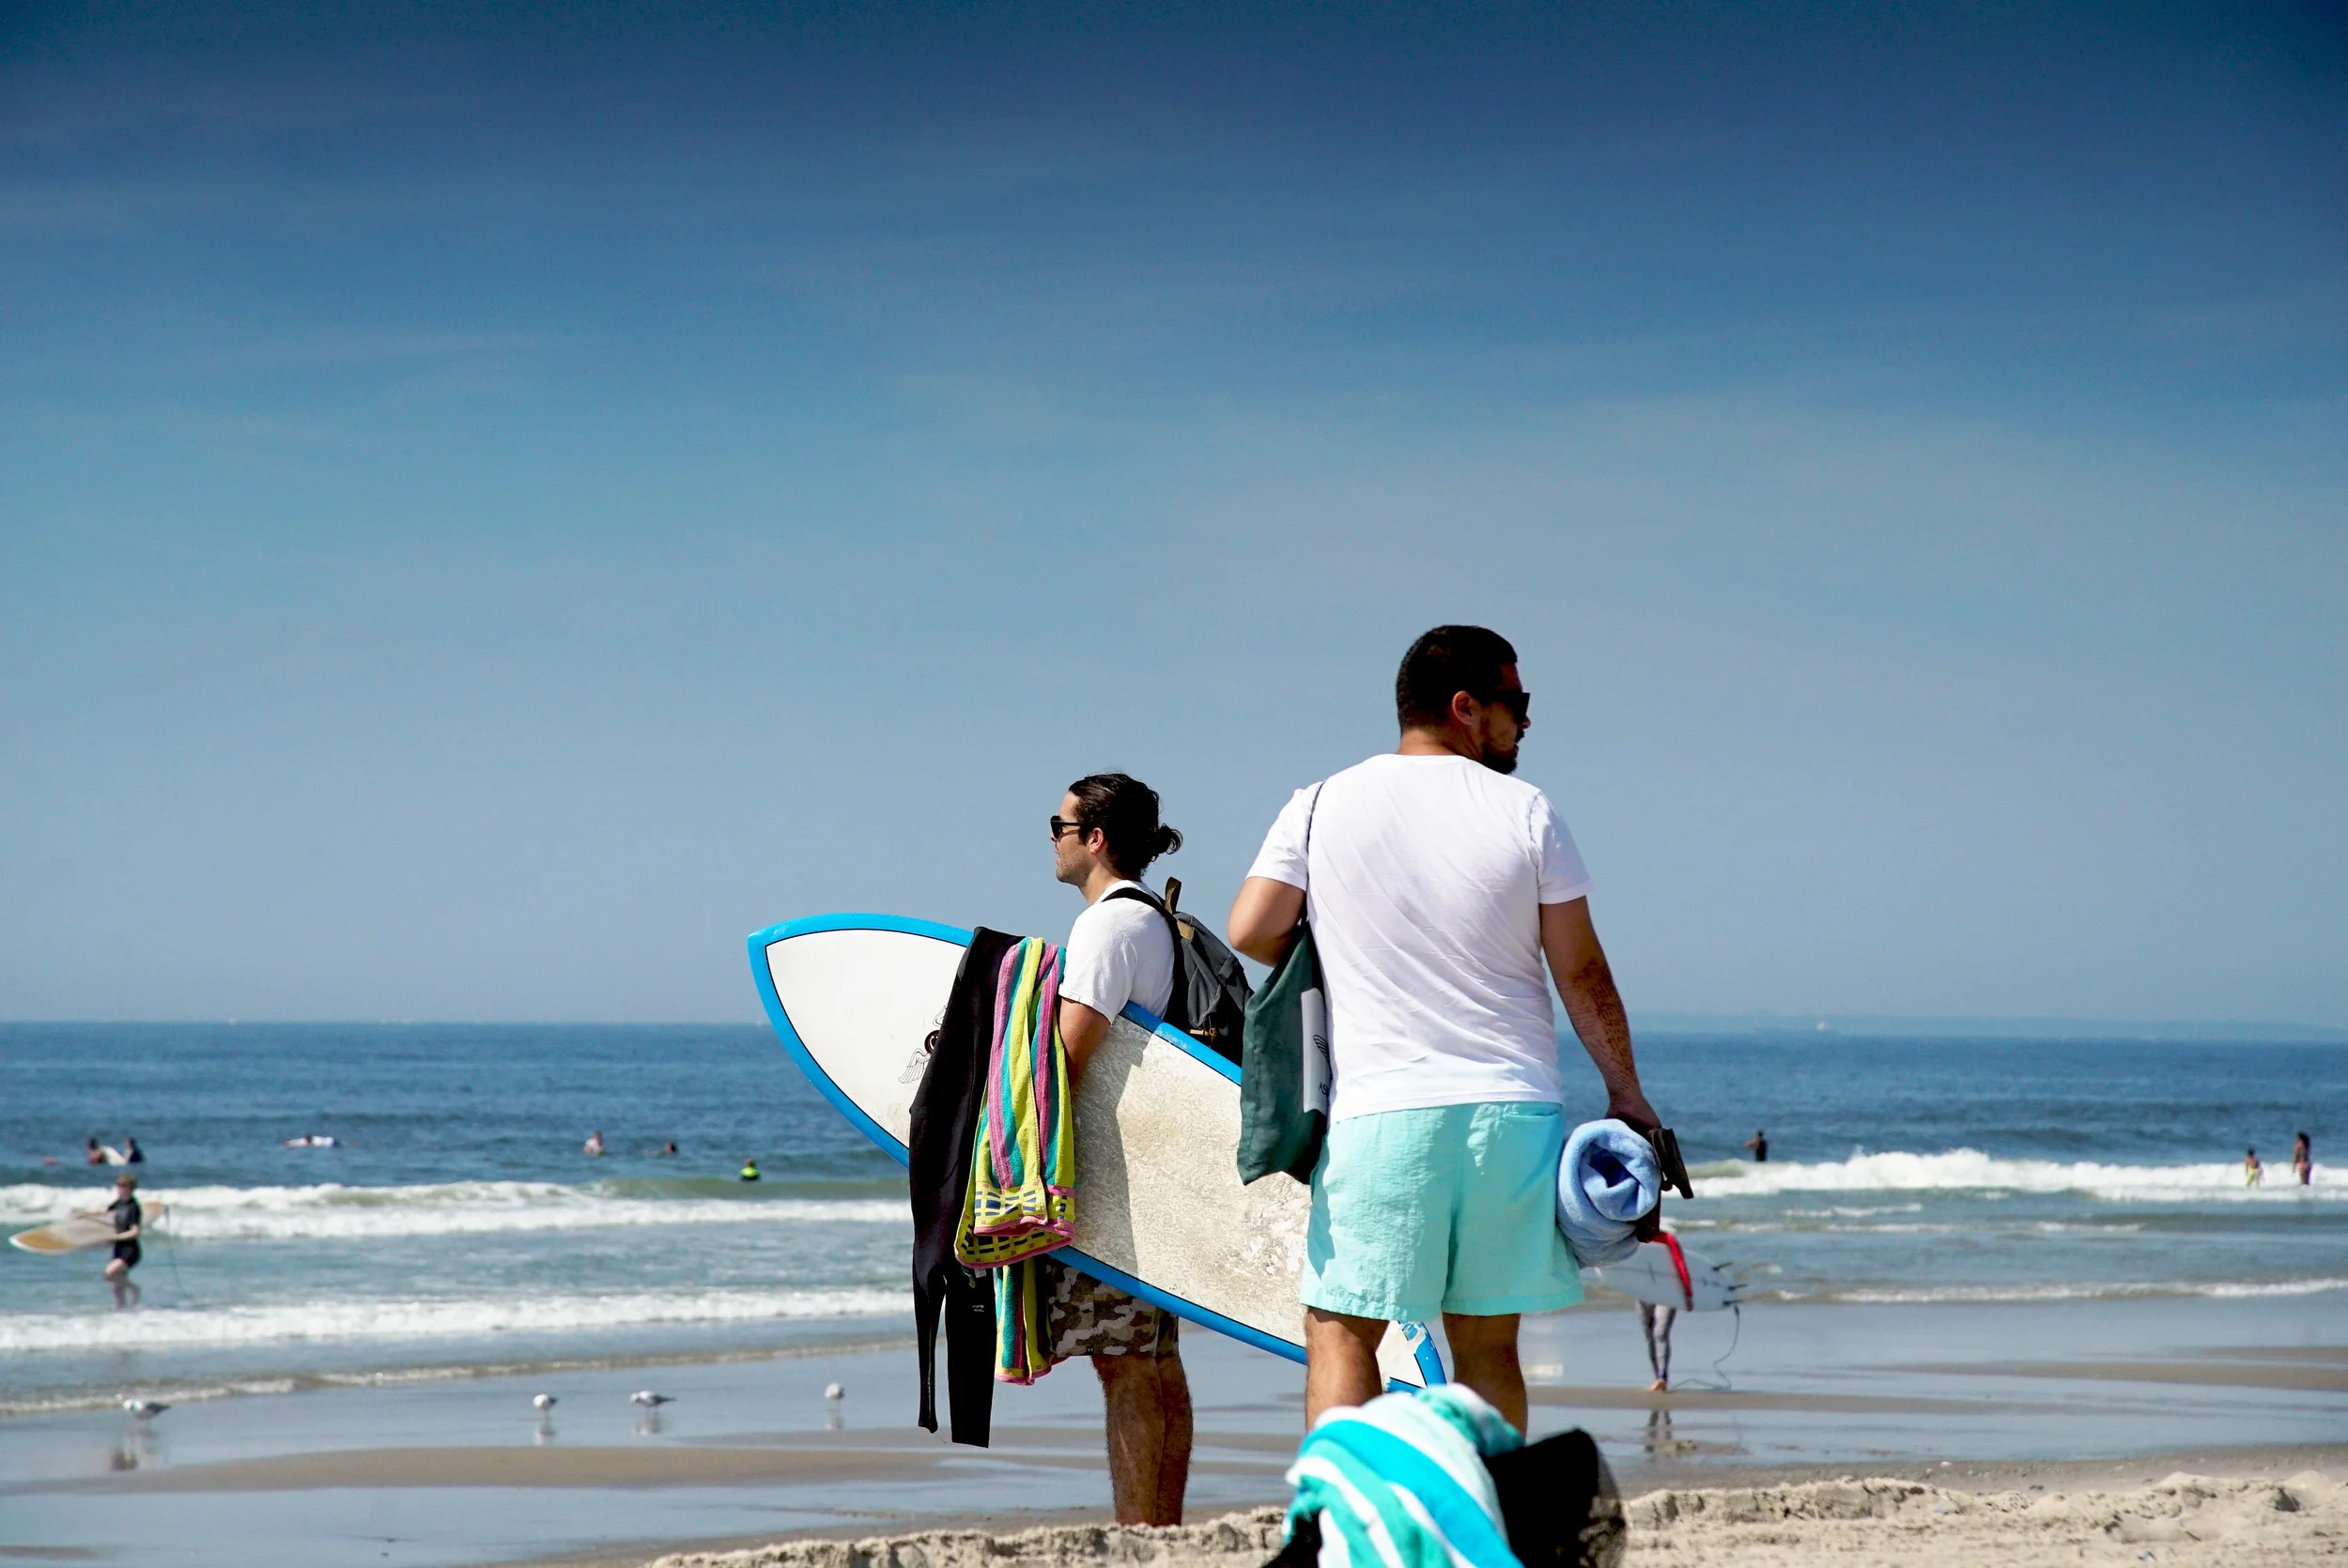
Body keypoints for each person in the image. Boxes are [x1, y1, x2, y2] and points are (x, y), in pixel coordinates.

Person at [1228, 625, 1662, 1434]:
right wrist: (1626, 1091)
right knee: (1489, 1343)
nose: (1527, 723)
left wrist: (1340, 929)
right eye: (1516, 704)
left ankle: (1342, 1527)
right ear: (1465, 708)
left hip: (1384, 1117)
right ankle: (1486, 1531)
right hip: (1511, 1118)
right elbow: (1581, 971)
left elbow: (1251, 930)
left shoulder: (1320, 804)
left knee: (1342, 1330)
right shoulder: (1529, 812)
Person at [1049, 772, 1194, 1526]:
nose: (1051, 838)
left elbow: (1068, 1058)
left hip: (1122, 1180)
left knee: (1126, 1363)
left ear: (1094, 838)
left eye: (1059, 823)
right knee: (1153, 1358)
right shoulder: (1150, 918)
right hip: (1154, 1174)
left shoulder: (1108, 925)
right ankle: (1160, 1531)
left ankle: (1141, 1534)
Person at [74, 1173, 143, 1307]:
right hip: (118, 1248)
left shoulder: (133, 1207)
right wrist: (83, 1214)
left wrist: (114, 1237)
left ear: (129, 1188)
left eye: (121, 1186)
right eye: (117, 1185)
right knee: (118, 1290)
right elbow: (104, 1211)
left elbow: (135, 1232)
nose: (118, 1188)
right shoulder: (119, 1203)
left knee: (109, 1274)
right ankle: (122, 1313)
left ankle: (134, 1288)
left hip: (130, 1250)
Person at [1639, 1300, 1676, 1391]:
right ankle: (1658, 1378)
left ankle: (1662, 1377)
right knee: (1650, 1336)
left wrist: (1687, 1296)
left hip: (1667, 1294)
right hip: (1643, 1295)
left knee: (1660, 1334)